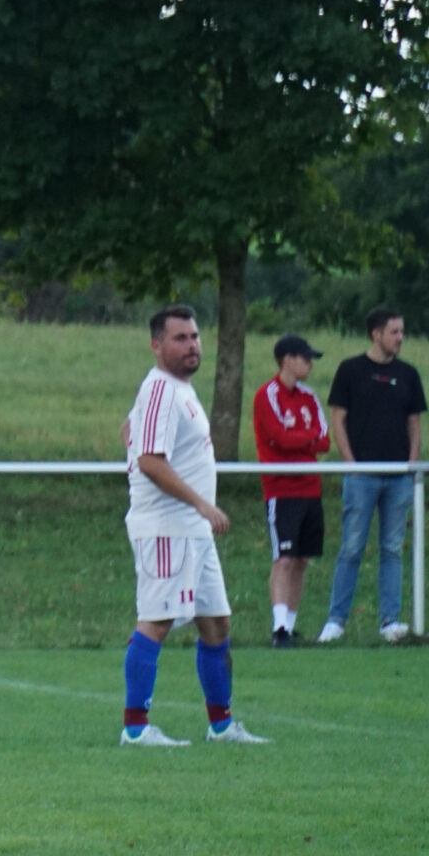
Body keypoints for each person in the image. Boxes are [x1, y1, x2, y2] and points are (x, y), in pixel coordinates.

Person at [119, 306, 269, 747]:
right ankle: (135, 729)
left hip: (191, 529)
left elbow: (130, 430)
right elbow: (148, 459)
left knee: (216, 623)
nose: (192, 345)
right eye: (180, 338)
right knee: (158, 620)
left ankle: (221, 726)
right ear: (156, 345)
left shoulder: (174, 389)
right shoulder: (163, 389)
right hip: (167, 526)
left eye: (195, 336)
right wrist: (202, 503)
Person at [320, 306, 428, 643]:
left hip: (398, 477)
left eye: (401, 331)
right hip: (362, 476)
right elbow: (338, 419)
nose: (400, 338)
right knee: (352, 547)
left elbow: (414, 422)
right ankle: (336, 622)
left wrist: (411, 465)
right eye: (394, 332)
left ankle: (389, 622)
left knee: (393, 549)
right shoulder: (350, 370)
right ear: (376, 334)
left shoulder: (408, 374)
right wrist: (350, 463)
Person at [252, 335, 330, 647]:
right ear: (287, 360)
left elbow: (323, 440)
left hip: (310, 487)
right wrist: (305, 438)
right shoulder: (267, 394)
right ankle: (279, 626)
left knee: (301, 559)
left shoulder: (309, 397)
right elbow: (277, 438)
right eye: (305, 358)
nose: (310, 364)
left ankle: (292, 625)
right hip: (281, 488)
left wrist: (301, 437)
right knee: (283, 558)